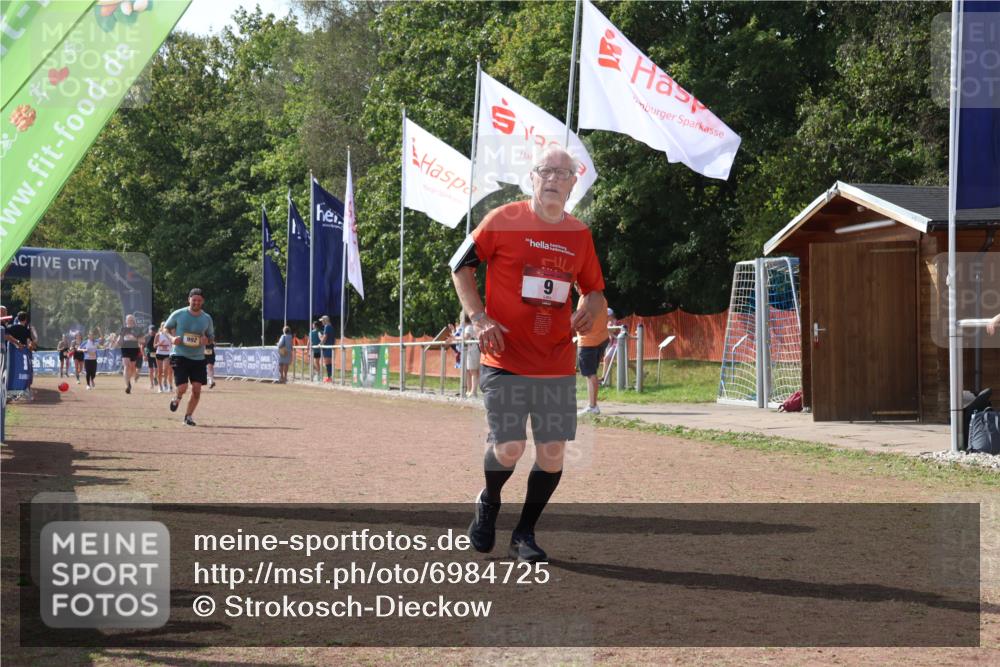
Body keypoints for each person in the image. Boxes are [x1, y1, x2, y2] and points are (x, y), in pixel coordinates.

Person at [449, 146, 605, 563]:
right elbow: (459, 264)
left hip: (554, 363)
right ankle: (489, 500)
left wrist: (590, 307)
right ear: (532, 178)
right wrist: (479, 318)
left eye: (563, 173)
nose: (553, 178)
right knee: (510, 448)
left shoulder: (580, 234)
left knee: (553, 454)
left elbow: (594, 290)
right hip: (505, 359)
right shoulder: (503, 219)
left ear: (574, 184)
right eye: (545, 171)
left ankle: (525, 533)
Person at [165, 288, 214, 426]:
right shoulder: (179, 314)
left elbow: (211, 336)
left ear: (202, 301)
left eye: (199, 300)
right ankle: (177, 397)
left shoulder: (206, 318)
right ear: (189, 300)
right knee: (182, 387)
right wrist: (172, 338)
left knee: (197, 389)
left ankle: (188, 416)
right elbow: (166, 328)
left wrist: (207, 340)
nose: (196, 302)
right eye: (194, 300)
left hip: (198, 357)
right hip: (179, 354)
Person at [576, 292, 609, 415]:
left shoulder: (585, 298)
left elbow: (578, 320)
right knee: (592, 372)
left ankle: (593, 406)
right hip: (602, 338)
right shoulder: (602, 298)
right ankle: (592, 403)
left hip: (588, 341)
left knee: (590, 374)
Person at [119, 314, 141, 394]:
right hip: (125, 348)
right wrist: (118, 341)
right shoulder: (123, 329)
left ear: (134, 321)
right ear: (126, 321)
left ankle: (133, 377)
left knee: (132, 367)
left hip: (134, 348)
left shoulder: (137, 329)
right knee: (126, 365)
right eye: (129, 320)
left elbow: (141, 339)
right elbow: (120, 338)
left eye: (132, 320)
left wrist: (134, 338)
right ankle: (128, 385)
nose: (130, 321)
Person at [460, 315, 481, 397]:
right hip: (471, 351)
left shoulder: (469, 327)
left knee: (473, 371)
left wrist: (454, 338)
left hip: (473, 351)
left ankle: (473, 391)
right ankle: (470, 390)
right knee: (470, 371)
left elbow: (465, 337)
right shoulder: (469, 327)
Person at [155, 322, 173, 392]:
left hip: (167, 354)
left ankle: (165, 381)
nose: (165, 328)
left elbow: (173, 344)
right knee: (160, 371)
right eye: (164, 326)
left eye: (166, 327)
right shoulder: (158, 335)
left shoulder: (170, 336)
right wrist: (160, 344)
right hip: (159, 353)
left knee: (166, 369)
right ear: (161, 327)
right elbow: (154, 346)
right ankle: (160, 387)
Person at [320, 315, 335, 382]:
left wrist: (320, 343)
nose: (321, 322)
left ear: (325, 320)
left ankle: (330, 377)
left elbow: (325, 337)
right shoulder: (331, 326)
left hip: (327, 347)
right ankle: (330, 377)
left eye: (322, 321)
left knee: (327, 363)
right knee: (329, 363)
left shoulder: (327, 326)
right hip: (330, 346)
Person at [143, 325, 158, 390]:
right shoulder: (146, 337)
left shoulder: (157, 336)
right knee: (151, 370)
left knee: (157, 369)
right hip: (149, 354)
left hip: (157, 354)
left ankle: (155, 377)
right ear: (149, 330)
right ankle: (151, 384)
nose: (152, 332)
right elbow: (141, 347)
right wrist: (144, 355)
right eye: (151, 330)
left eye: (153, 330)